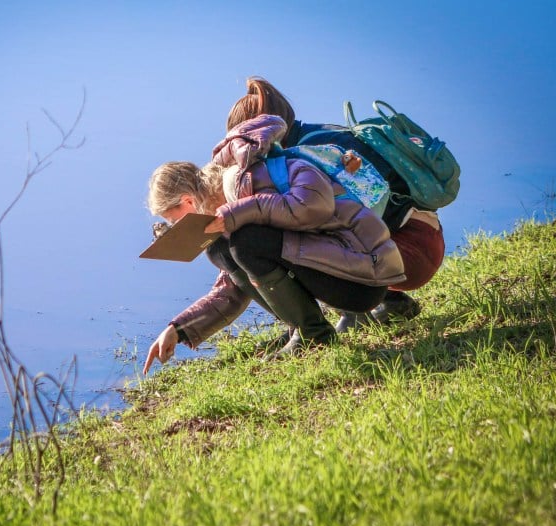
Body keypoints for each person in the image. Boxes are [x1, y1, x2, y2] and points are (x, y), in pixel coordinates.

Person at [143, 114, 405, 374]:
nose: (175, 229)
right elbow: (232, 289)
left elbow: (316, 204)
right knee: (221, 249)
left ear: (187, 202)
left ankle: (312, 333)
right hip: (347, 277)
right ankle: (302, 327)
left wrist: (240, 212)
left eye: (172, 221)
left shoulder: (248, 177)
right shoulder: (226, 212)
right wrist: (178, 329)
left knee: (246, 242)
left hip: (364, 278)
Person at [226, 76, 446, 334]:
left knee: (296, 225)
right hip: (425, 239)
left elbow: (340, 219)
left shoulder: (307, 153)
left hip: (408, 252)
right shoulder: (317, 135)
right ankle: (393, 303)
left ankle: (351, 313)